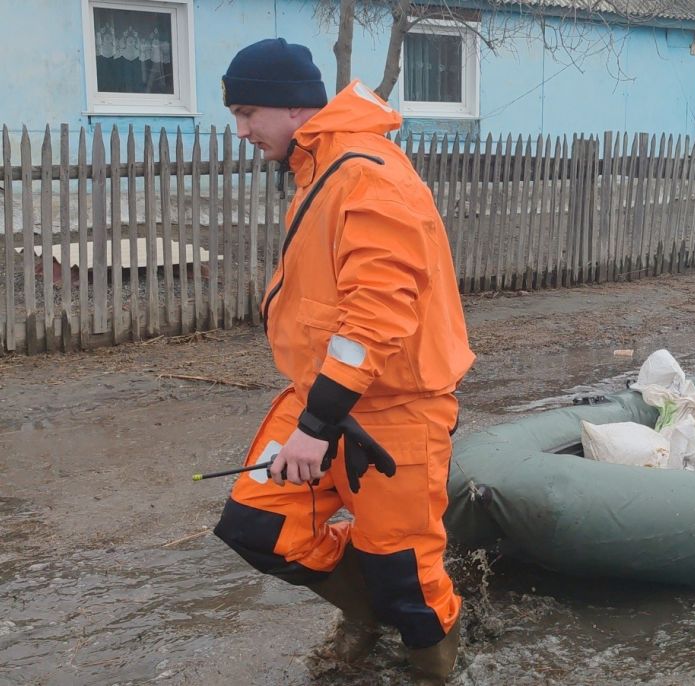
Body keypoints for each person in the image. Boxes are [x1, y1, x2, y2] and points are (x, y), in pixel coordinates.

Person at [211, 38, 474, 684]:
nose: (241, 131)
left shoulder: (364, 173)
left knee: (404, 572)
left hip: (393, 412)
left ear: (295, 106)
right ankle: (372, 615)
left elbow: (377, 314)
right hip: (324, 398)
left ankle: (434, 664)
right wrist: (317, 412)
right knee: (257, 523)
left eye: (248, 112)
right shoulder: (318, 169)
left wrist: (316, 425)